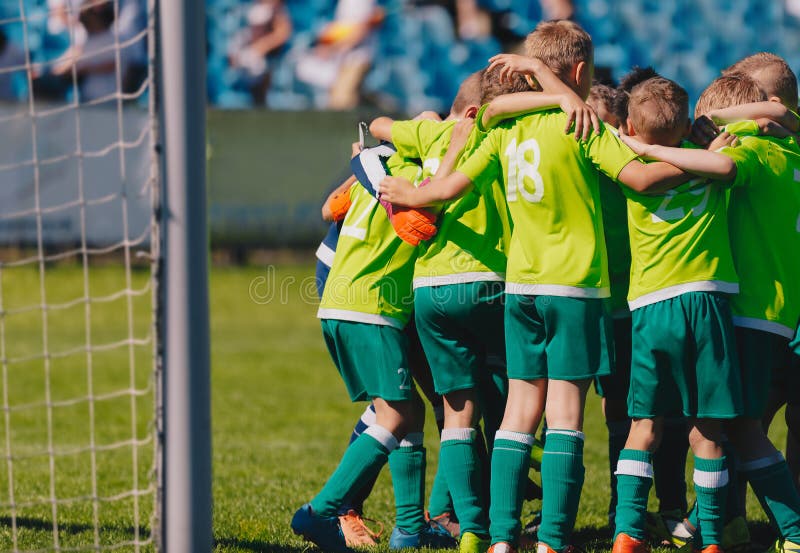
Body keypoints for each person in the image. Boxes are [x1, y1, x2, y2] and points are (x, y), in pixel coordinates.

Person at [379, 21, 719, 553]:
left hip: (521, 287)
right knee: (564, 414)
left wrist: (409, 191)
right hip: (576, 287)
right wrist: (707, 164)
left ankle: (500, 539)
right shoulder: (583, 126)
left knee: (518, 412)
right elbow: (639, 178)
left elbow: (448, 185)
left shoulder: (504, 130)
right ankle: (553, 540)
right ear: (581, 72)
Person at [369, 67, 529, 553]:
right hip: (493, 284)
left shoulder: (428, 130)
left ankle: (471, 532)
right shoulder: (505, 136)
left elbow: (377, 125)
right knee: (509, 413)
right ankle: (505, 525)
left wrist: (423, 123)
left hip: (432, 289)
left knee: (456, 412)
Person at [291, 138, 457, 552]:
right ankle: (323, 510)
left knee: (407, 411)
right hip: (374, 307)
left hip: (341, 302)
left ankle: (409, 529)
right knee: (397, 413)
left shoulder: (381, 170)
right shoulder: (424, 180)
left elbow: (331, 207)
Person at [296, 0, 383, 110]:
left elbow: (361, 30)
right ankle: (381, 106)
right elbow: (344, 27)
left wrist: (332, 48)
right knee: (347, 96)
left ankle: (383, 110)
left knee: (341, 102)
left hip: (357, 56)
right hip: (344, 56)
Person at [227, 0, 292, 105]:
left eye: (262, 25)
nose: (258, 28)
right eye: (256, 25)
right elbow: (232, 58)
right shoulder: (242, 37)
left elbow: (283, 33)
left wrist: (262, 46)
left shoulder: (276, 16)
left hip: (268, 64)